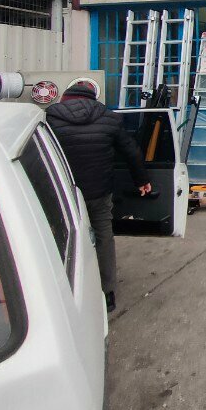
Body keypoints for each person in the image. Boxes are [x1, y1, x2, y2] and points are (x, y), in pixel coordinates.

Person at [46, 81, 151, 313]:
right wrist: (142, 180)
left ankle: (63, 291)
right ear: (93, 97)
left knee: (62, 237)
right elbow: (131, 151)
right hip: (98, 192)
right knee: (104, 236)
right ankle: (107, 293)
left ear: (65, 96)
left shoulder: (50, 118)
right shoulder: (109, 118)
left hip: (65, 193)